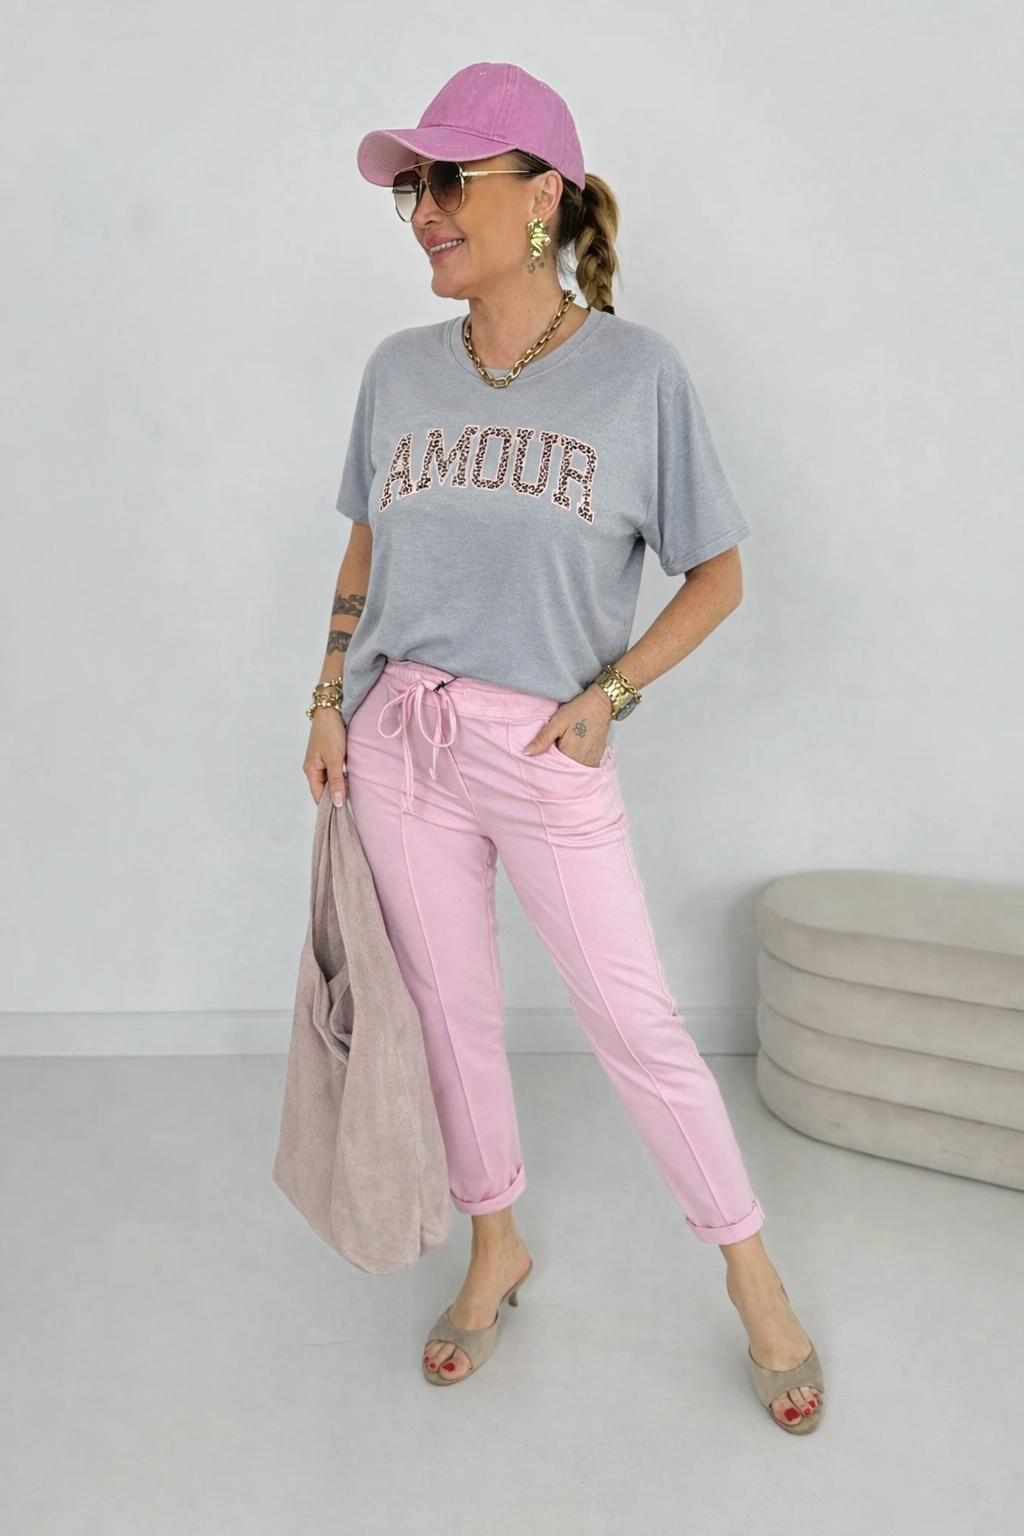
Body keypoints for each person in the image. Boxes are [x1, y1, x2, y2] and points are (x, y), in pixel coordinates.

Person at [302, 62, 825, 1431]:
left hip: (543, 746)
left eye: (450, 181)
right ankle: (496, 1247)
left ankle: (753, 1276)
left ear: (543, 197)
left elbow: (717, 573)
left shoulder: (638, 376)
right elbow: (365, 545)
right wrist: (327, 698)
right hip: (399, 740)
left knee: (635, 1022)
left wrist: (615, 694)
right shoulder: (397, 371)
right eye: (413, 188)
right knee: (451, 1016)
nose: (424, 209)